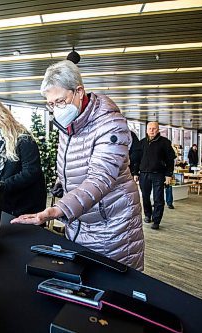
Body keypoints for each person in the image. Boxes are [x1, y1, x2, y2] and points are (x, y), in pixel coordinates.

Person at [11, 60, 144, 271]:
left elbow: (100, 178)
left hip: (111, 223)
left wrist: (57, 210)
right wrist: (62, 181)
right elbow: (76, 162)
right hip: (81, 219)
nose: (56, 110)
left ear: (79, 91)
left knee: (112, 289)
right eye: (51, 104)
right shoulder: (68, 125)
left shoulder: (110, 124)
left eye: (60, 101)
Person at [134, 122, 176, 230]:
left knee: (158, 198)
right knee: (145, 197)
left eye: (154, 129)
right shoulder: (142, 143)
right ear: (146, 130)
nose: (152, 130)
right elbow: (137, 160)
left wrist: (168, 174)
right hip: (144, 174)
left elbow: (170, 160)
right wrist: (135, 173)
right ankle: (148, 215)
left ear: (158, 130)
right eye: (150, 128)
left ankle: (156, 220)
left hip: (159, 175)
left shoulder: (165, 143)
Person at [165, 145, 180, 210]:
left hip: (168, 173)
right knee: (159, 189)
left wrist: (170, 174)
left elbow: (172, 165)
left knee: (168, 188)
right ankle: (168, 203)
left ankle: (169, 203)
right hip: (160, 173)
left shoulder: (171, 155)